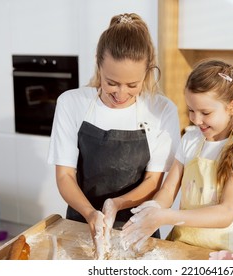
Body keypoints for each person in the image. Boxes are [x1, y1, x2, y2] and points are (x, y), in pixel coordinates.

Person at [47, 13, 181, 248]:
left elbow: (153, 181)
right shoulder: (72, 103)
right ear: (98, 63)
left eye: (132, 85)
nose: (120, 94)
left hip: (140, 229)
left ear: (148, 71)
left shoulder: (162, 110)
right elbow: (65, 176)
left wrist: (115, 204)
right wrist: (91, 214)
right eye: (111, 82)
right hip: (81, 223)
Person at [121, 59, 233, 260]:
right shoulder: (190, 139)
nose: (196, 119)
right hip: (185, 244)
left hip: (226, 251)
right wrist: (153, 208)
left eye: (205, 112)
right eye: (191, 110)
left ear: (232, 106)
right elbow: (168, 190)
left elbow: (226, 213)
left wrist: (166, 217)